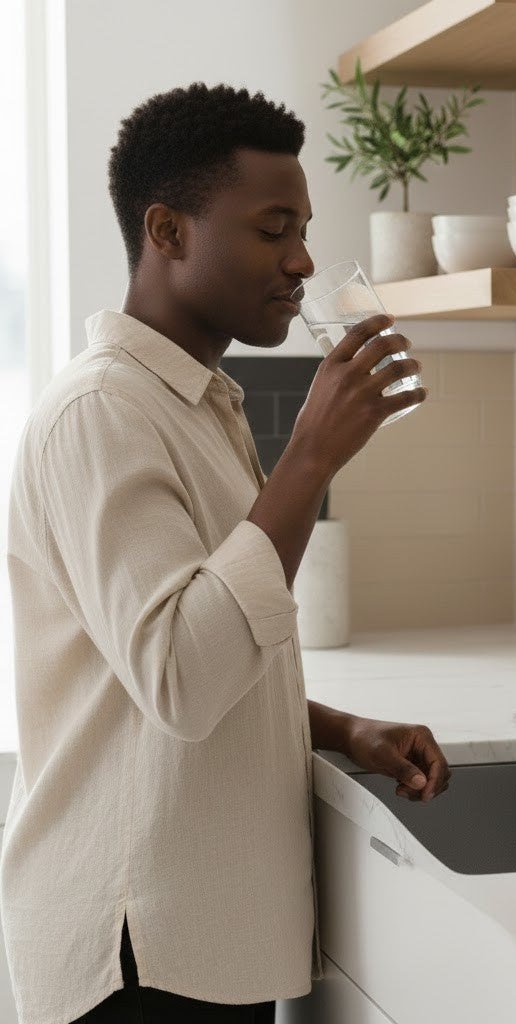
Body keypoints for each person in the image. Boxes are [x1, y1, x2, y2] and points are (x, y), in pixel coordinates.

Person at [1, 82, 451, 1024]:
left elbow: (185, 647)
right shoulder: (103, 414)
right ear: (167, 232)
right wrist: (314, 456)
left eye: (303, 227)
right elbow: (181, 678)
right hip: (138, 952)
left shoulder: (195, 402)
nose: (302, 259)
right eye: (272, 227)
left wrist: (330, 728)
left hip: (194, 936)